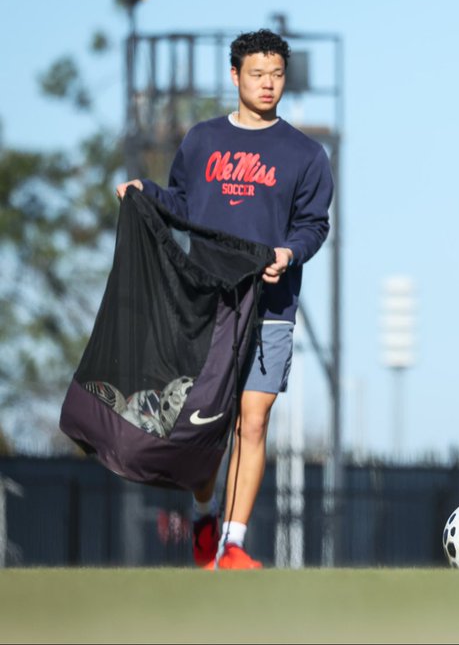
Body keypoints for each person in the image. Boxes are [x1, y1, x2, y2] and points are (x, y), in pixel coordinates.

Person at [116, 29, 333, 570]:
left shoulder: (306, 153)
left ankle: (233, 545)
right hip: (205, 304)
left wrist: (289, 252)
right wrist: (145, 193)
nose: (268, 84)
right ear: (234, 76)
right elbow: (183, 201)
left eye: (277, 75)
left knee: (252, 421)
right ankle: (206, 520)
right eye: (257, 74)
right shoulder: (202, 140)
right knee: (207, 424)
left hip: (271, 306)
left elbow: (314, 224)